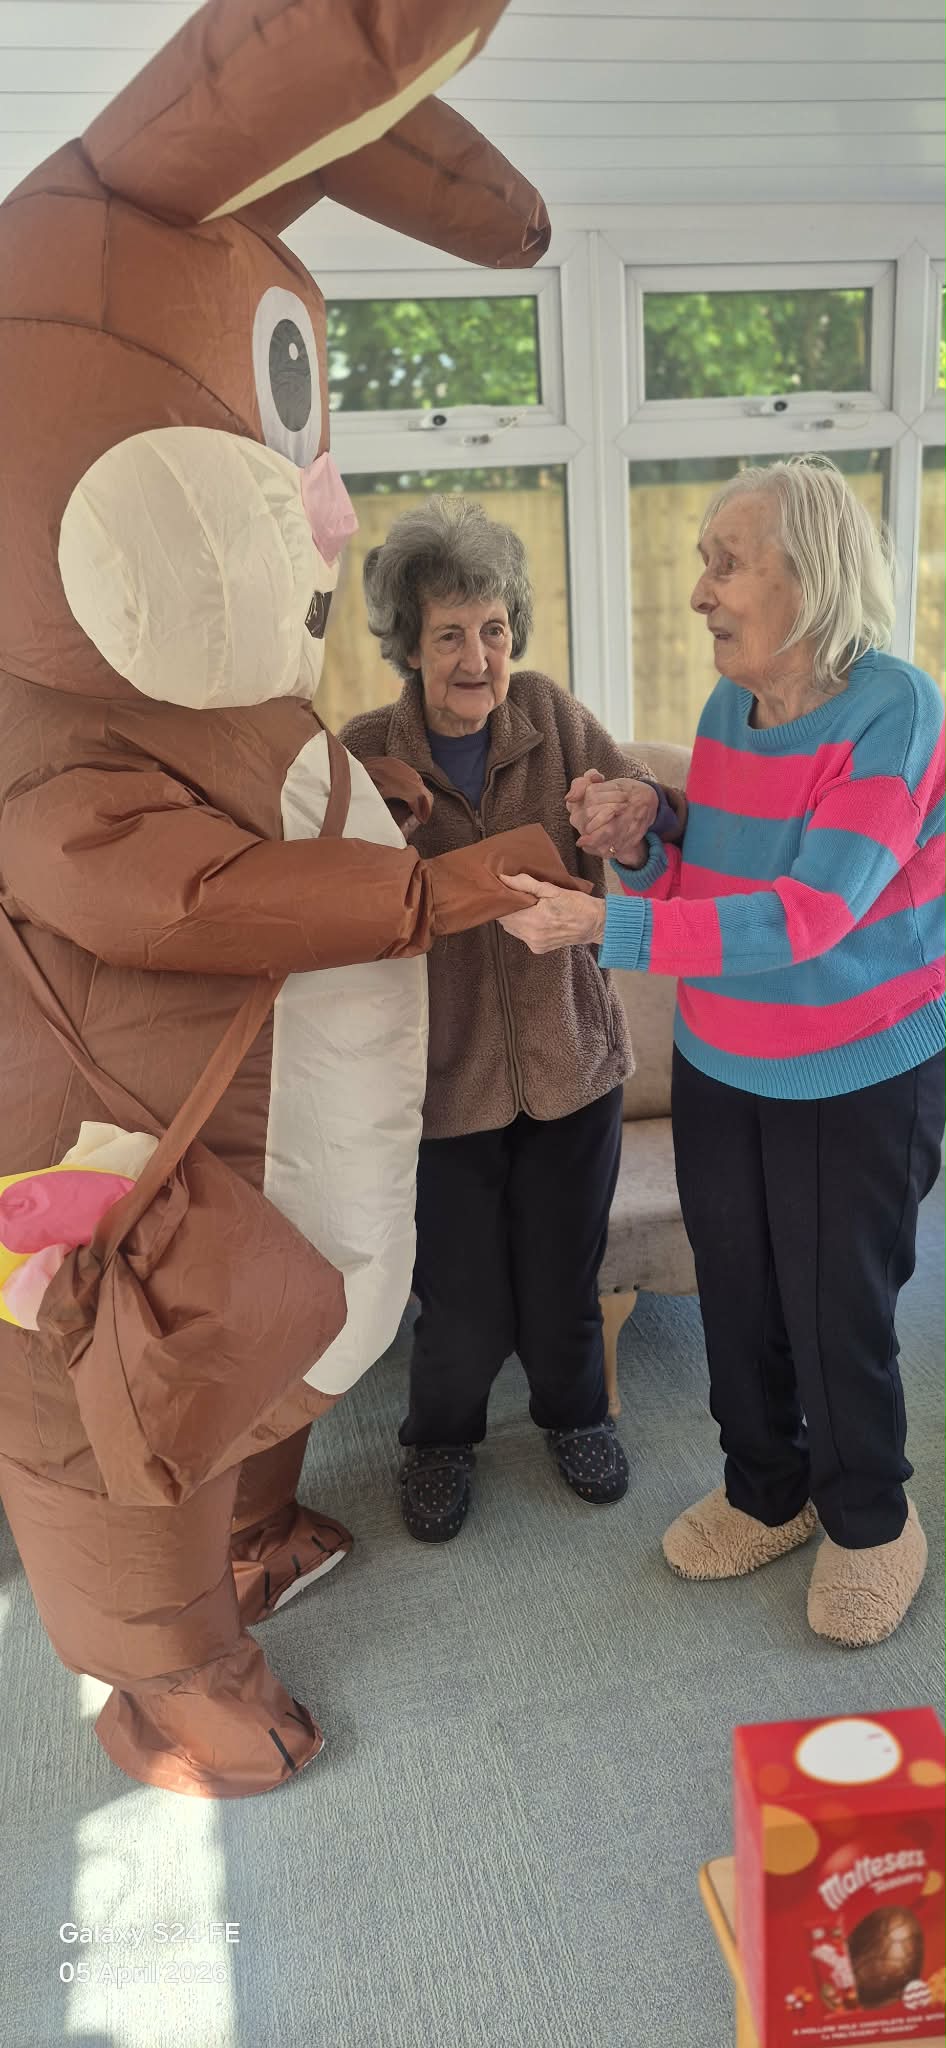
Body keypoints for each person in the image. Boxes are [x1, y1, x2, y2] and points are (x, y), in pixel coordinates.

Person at [499, 454, 946, 1649]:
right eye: (703, 560)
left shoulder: (897, 708)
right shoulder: (721, 712)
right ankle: (767, 1489)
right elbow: (710, 880)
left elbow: (809, 914)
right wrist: (650, 830)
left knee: (831, 1304)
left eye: (724, 562)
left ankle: (869, 1520)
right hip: (722, 1055)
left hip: (857, 1066)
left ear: (811, 577)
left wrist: (607, 919)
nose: (699, 590)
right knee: (740, 1291)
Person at [341, 495, 684, 1540]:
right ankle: (438, 1439)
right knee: (462, 1303)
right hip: (442, 1083)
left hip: (571, 1064)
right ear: (408, 644)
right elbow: (342, 922)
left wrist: (624, 826)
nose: (478, 656)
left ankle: (575, 1416)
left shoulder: (552, 716)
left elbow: (635, 844)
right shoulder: (365, 756)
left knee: (560, 1283)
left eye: (492, 628)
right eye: (449, 633)